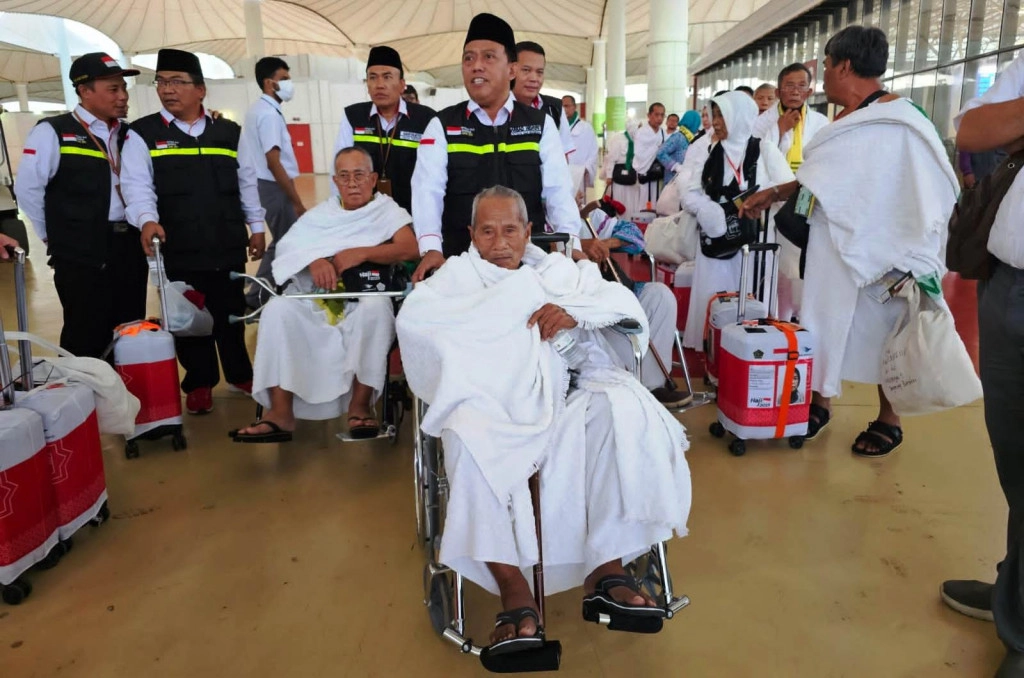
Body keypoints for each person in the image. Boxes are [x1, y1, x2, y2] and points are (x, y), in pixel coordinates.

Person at [397, 185, 691, 649]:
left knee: (618, 412)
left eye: (510, 230)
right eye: (487, 232)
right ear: (471, 234)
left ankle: (605, 569)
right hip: (488, 401)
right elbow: (416, 326)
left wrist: (574, 315)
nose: (499, 243)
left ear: (528, 230)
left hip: (567, 390)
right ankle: (515, 591)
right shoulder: (453, 281)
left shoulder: (559, 272)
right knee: (468, 439)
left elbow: (621, 306)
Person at [740, 26, 957, 457]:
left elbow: (931, 185)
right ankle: (820, 402)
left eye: (825, 66)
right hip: (834, 244)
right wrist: (775, 192)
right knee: (825, 320)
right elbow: (821, 180)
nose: (821, 77)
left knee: (888, 329)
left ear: (844, 66)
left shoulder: (903, 120)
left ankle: (889, 419)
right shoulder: (845, 122)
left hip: (888, 247)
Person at [230, 147, 417, 443]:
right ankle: (280, 412)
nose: (352, 183)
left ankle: (360, 405)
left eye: (359, 175)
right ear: (335, 181)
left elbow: (410, 248)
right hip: (316, 297)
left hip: (364, 299)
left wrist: (361, 253)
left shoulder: (387, 210)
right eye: (345, 176)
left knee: (375, 307)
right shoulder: (321, 215)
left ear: (373, 180)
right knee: (277, 310)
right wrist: (314, 260)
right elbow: (288, 248)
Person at [121, 48, 267, 415]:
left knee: (230, 311)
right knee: (186, 318)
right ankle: (199, 382)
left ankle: (239, 374)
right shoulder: (143, 133)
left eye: (177, 82)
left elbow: (247, 182)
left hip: (225, 240)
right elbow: (137, 185)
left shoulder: (228, 132)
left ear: (200, 90)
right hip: (178, 244)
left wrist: (256, 226)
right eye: (161, 82)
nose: (167, 89)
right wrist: (146, 219)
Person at [940, 50, 1024, 678]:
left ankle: (1020, 630)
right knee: (1014, 453)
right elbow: (972, 130)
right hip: (1010, 284)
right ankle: (1014, 590)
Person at [410, 13, 580, 281]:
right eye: (468, 58)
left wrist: (570, 244)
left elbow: (559, 191)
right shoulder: (442, 125)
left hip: (527, 267)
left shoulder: (540, 124)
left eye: (488, 57)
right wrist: (431, 248)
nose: (476, 66)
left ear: (511, 70)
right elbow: (427, 191)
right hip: (461, 265)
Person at [16, 52, 146, 359]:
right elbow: (28, 189)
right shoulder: (53, 131)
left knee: (130, 329)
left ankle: (125, 389)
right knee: (86, 332)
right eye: (113, 89)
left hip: (127, 246)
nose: (123, 96)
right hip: (79, 253)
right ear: (85, 91)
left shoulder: (127, 134)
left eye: (123, 88)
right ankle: (85, 389)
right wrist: (53, 236)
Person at [679, 91, 794, 352]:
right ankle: (715, 351)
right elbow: (690, 192)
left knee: (752, 298)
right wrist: (707, 209)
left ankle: (749, 352)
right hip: (718, 242)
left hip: (755, 243)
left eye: (722, 115)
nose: (716, 122)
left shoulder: (764, 150)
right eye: (714, 115)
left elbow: (789, 189)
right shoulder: (711, 151)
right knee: (716, 299)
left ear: (739, 117)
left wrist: (765, 196)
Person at [581, 205, 690, 407]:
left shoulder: (590, 217)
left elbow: (636, 237)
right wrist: (580, 247)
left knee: (661, 296)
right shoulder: (545, 221)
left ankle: (652, 387)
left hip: (620, 290)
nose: (577, 196)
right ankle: (626, 391)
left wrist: (605, 244)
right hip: (586, 303)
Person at [751, 63, 831, 322]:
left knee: (800, 254)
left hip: (805, 195)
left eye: (801, 86)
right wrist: (779, 130)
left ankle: (797, 314)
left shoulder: (820, 123)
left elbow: (823, 162)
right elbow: (754, 157)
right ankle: (773, 314)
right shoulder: (763, 122)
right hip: (771, 198)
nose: (795, 91)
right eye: (789, 86)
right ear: (778, 91)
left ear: (809, 92)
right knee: (775, 262)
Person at [333, 46, 436, 214]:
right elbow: (339, 168)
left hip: (413, 212)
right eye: (372, 77)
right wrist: (342, 213)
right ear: (367, 84)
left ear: (402, 84)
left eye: (387, 77)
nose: (379, 85)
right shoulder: (353, 117)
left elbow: (434, 174)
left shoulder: (426, 119)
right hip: (366, 213)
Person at [241, 56, 306, 309]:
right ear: (270, 83)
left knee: (282, 241)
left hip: (267, 184)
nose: (289, 84)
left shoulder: (259, 110)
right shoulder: (268, 114)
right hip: (273, 186)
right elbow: (273, 161)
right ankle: (256, 297)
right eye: (284, 79)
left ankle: (266, 292)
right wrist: (296, 201)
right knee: (284, 243)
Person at [512, 41, 575, 158]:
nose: (534, 78)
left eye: (539, 72)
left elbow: (563, 157)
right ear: (511, 70)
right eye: (526, 70)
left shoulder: (555, 109)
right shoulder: (497, 108)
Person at [562, 95, 599, 195]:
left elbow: (593, 151)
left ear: (574, 107)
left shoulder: (586, 127)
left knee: (577, 200)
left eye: (567, 106)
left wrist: (587, 168)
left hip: (578, 174)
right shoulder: (558, 127)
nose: (564, 109)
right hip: (560, 173)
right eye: (562, 106)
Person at [634, 102, 667, 206]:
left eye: (662, 115)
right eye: (656, 114)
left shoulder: (663, 132)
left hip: (658, 174)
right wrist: (657, 148)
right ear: (649, 115)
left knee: (658, 201)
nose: (659, 118)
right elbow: (639, 154)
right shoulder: (641, 132)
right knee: (645, 202)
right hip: (645, 173)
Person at [656, 110, 701, 185]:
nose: (697, 127)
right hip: (672, 181)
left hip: (683, 181)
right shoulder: (679, 137)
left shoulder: (689, 137)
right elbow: (660, 153)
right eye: (697, 124)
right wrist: (675, 166)